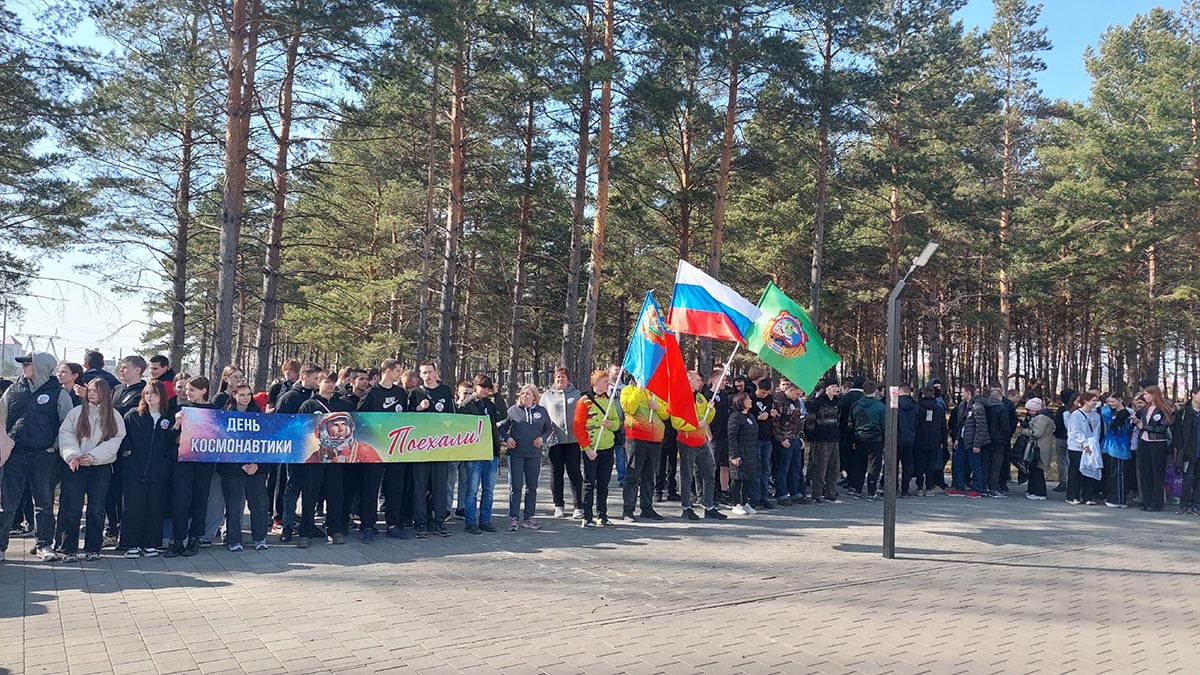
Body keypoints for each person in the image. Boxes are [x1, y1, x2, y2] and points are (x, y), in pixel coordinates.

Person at [0, 352, 75, 563]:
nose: (23, 367)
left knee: (44, 503)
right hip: (15, 454)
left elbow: (67, 426)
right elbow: (1, 418)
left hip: (44, 456)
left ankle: (44, 545)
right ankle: (1, 547)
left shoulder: (59, 394)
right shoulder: (13, 389)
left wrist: (54, 447)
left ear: (42, 366)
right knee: (7, 504)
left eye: (27, 363)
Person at [57, 378, 126, 561]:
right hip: (75, 465)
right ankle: (68, 549)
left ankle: (93, 548)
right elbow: (66, 435)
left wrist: (93, 457)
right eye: (89, 390)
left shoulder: (114, 416)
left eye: (96, 390)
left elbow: (115, 441)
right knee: (73, 507)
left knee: (96, 508)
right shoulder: (76, 412)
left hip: (100, 467)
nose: (92, 393)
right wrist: (73, 455)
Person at [295, 373, 356, 548]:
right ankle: (306, 531)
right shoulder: (308, 405)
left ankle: (334, 529)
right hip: (314, 457)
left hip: (336, 457)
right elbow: (301, 430)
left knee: (335, 493)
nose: (330, 385)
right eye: (327, 381)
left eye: (333, 382)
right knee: (310, 494)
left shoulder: (342, 405)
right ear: (318, 382)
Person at [120, 380, 177, 558]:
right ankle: (131, 544)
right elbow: (123, 437)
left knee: (155, 508)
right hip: (134, 470)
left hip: (158, 471)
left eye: (154, 393)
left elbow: (170, 442)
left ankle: (151, 544)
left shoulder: (169, 417)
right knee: (132, 508)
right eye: (147, 393)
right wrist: (128, 452)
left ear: (162, 396)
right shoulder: (133, 415)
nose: (150, 396)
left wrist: (175, 427)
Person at [356, 358, 407, 541]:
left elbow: (406, 418)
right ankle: (368, 525)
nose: (400, 374)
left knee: (395, 487)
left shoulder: (400, 393)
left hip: (395, 448)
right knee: (371, 487)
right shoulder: (371, 393)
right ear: (387, 371)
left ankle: (393, 524)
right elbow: (360, 419)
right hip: (374, 448)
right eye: (397, 370)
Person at [165, 376, 215, 558]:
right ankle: (178, 539)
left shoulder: (213, 410)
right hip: (183, 460)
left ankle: (195, 538)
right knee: (180, 499)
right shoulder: (181, 409)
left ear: (203, 391)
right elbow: (169, 438)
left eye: (192, 390)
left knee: (200, 499)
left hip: (204, 461)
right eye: (187, 389)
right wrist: (177, 425)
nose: (188, 393)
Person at [217, 383, 271, 551]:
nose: (245, 398)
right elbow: (221, 445)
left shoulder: (259, 416)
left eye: (248, 394)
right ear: (234, 396)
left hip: (256, 468)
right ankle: (233, 540)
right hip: (232, 470)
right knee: (233, 504)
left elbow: (267, 444)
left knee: (259, 504)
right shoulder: (225, 416)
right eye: (241, 395)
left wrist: (257, 464)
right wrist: (240, 464)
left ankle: (260, 538)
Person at [407, 361, 455, 538]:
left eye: (430, 372)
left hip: (440, 447)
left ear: (436, 373)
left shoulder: (445, 391)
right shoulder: (415, 393)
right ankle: (420, 523)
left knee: (440, 486)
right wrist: (418, 409)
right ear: (420, 375)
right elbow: (406, 418)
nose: (427, 375)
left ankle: (439, 521)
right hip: (420, 448)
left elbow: (453, 417)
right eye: (424, 373)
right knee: (419, 487)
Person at [273, 363, 320, 542]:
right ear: (305, 377)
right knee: (292, 488)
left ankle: (308, 525)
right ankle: (287, 525)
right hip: (294, 451)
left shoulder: (318, 398)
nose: (318, 382)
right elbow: (279, 424)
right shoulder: (289, 397)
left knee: (311, 489)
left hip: (315, 451)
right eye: (315, 378)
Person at [105, 355, 148, 545]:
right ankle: (111, 528)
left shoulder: (144, 391)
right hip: (110, 446)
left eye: (125, 367)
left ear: (137, 370)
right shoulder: (117, 389)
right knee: (109, 490)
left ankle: (126, 530)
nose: (121, 370)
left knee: (125, 493)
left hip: (130, 449)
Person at [671, 371, 725, 520]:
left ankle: (709, 507)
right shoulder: (679, 398)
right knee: (687, 476)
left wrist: (711, 409)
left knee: (709, 473)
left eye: (700, 380)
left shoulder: (700, 398)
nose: (700, 383)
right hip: (686, 442)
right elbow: (676, 422)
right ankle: (686, 508)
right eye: (697, 380)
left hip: (701, 441)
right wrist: (695, 425)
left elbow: (707, 419)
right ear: (688, 381)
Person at [573, 370, 623, 527]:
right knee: (589, 483)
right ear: (596, 383)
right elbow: (577, 427)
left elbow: (617, 422)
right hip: (592, 449)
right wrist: (586, 448)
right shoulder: (584, 401)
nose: (608, 384)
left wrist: (611, 424)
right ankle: (587, 516)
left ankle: (602, 515)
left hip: (607, 447)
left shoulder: (609, 401)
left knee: (603, 484)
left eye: (608, 381)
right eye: (604, 381)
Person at [502, 384, 553, 531]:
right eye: (523, 393)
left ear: (534, 396)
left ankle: (529, 517)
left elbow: (549, 428)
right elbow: (501, 427)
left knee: (532, 487)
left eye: (528, 394)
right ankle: (513, 518)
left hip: (534, 454)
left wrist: (542, 438)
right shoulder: (513, 410)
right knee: (515, 486)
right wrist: (507, 438)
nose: (524, 396)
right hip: (516, 454)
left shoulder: (541, 411)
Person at [458, 374, 504, 534]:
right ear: (475, 386)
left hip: (491, 451)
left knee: (488, 490)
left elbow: (502, 414)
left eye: (488, 387)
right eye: (482, 386)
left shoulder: (489, 404)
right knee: (472, 490)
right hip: (475, 453)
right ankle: (470, 522)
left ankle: (485, 520)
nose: (485, 390)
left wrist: (497, 394)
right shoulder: (467, 405)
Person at [620, 384, 669, 522]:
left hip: (655, 439)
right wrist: (638, 390)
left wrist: (657, 407)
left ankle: (647, 508)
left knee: (649, 475)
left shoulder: (656, 392)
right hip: (636, 438)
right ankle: (628, 510)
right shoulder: (628, 390)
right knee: (633, 475)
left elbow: (666, 414)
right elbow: (628, 408)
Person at [1133, 385, 1173, 512]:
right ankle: (1146, 500)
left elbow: (1162, 428)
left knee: (1157, 473)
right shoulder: (1145, 410)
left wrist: (1143, 426)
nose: (1145, 397)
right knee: (1145, 473)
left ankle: (1156, 502)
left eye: (1147, 394)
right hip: (1144, 442)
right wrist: (1137, 422)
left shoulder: (1163, 410)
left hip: (1158, 443)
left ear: (1154, 395)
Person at [770, 382, 807, 506]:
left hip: (795, 437)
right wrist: (781, 438)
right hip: (784, 439)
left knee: (796, 467)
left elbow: (798, 421)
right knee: (783, 468)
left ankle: (795, 492)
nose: (798, 397)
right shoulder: (779, 401)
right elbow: (775, 422)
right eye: (797, 394)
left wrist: (801, 437)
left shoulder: (796, 402)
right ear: (790, 390)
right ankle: (781, 494)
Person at [948, 384, 988, 499]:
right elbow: (962, 423)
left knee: (975, 465)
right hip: (963, 439)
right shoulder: (964, 406)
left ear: (968, 393)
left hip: (972, 441)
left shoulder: (977, 407)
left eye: (962, 392)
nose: (961, 394)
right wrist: (957, 438)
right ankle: (960, 487)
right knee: (958, 463)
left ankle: (978, 489)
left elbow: (981, 426)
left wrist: (977, 444)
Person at [806, 382, 841, 504]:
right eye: (832, 386)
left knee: (834, 467)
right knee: (820, 467)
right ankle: (816, 494)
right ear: (826, 388)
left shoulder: (837, 402)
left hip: (834, 438)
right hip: (821, 439)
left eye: (836, 386)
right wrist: (811, 437)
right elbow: (810, 420)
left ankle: (830, 493)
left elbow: (839, 420)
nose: (835, 389)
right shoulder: (817, 402)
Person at [1065, 391, 1102, 506]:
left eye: (1096, 401)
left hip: (1091, 446)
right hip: (1076, 447)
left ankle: (1087, 496)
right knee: (1075, 471)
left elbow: (1097, 431)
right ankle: (1072, 496)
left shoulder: (1096, 416)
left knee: (1089, 471)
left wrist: (1093, 444)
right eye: (1093, 400)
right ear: (1085, 401)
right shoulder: (1076, 415)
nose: (1095, 403)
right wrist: (1084, 443)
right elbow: (1075, 431)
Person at [727, 392, 761, 515]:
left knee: (748, 478)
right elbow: (732, 437)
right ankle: (735, 504)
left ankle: (744, 502)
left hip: (751, 452)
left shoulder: (750, 416)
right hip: (740, 452)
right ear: (741, 402)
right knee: (737, 479)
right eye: (747, 399)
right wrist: (734, 455)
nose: (750, 401)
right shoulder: (735, 417)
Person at [851, 383, 886, 500]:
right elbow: (884, 425)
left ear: (863, 391)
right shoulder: (880, 406)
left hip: (859, 437)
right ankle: (871, 491)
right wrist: (884, 441)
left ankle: (858, 490)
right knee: (874, 466)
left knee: (859, 464)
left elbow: (850, 423)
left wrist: (853, 438)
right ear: (875, 391)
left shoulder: (855, 405)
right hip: (875, 438)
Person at [705, 368, 733, 503]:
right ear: (714, 380)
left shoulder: (724, 395)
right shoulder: (707, 395)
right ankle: (711, 492)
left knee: (724, 465)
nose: (725, 383)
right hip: (714, 436)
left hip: (724, 435)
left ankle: (724, 491)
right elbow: (704, 417)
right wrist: (709, 435)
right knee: (712, 465)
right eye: (722, 380)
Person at [1100, 393, 1133, 509]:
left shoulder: (1124, 413)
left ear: (1120, 400)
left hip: (1120, 446)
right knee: (1112, 473)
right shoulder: (1115, 412)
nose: (1110, 404)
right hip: (1111, 445)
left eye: (1113, 401)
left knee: (1118, 474)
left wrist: (1105, 411)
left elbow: (1114, 424)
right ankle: (1113, 497)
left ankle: (1119, 499)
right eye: (1108, 402)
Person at [913, 386, 947, 496]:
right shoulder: (939, 409)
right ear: (933, 395)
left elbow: (915, 424)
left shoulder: (918, 407)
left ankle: (919, 487)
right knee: (931, 465)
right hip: (934, 440)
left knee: (919, 464)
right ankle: (929, 487)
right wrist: (944, 442)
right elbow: (943, 426)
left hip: (919, 439)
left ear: (923, 394)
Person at [1021, 398, 1055, 500]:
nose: (1027, 412)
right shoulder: (1044, 417)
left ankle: (1040, 493)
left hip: (1040, 447)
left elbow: (1037, 433)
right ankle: (1033, 490)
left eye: (1028, 409)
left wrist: (1025, 431)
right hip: (1041, 445)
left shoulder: (1041, 418)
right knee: (1034, 469)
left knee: (1037, 469)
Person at [1173, 387, 1200, 515]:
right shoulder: (1183, 413)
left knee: (1198, 480)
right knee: (1187, 478)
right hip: (1188, 452)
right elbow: (1177, 433)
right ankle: (1184, 504)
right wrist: (1181, 448)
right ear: (1193, 394)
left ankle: (1196, 504)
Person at [838, 376, 866, 494]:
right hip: (860, 432)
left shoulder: (846, 397)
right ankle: (856, 481)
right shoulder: (864, 397)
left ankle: (849, 478)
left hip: (845, 431)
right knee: (859, 458)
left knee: (847, 455)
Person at [606, 364, 627, 487]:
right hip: (607, 426)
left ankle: (622, 478)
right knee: (606, 455)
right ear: (609, 372)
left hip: (621, 426)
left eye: (619, 370)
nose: (618, 371)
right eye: (616, 370)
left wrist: (623, 422)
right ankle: (603, 478)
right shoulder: (605, 388)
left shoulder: (624, 388)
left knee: (620, 454)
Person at [896, 384, 918, 497]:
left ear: (900, 391)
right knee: (907, 465)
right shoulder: (915, 405)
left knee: (894, 465)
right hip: (910, 438)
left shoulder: (895, 404)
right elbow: (917, 422)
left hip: (896, 438)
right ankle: (905, 489)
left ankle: (893, 487)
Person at [1053, 389, 1077, 492]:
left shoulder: (1062, 410)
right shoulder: (1077, 410)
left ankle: (1063, 481)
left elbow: (1057, 424)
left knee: (1062, 461)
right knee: (1071, 461)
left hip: (1062, 438)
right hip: (1073, 439)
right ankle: (1072, 482)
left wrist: (1056, 434)